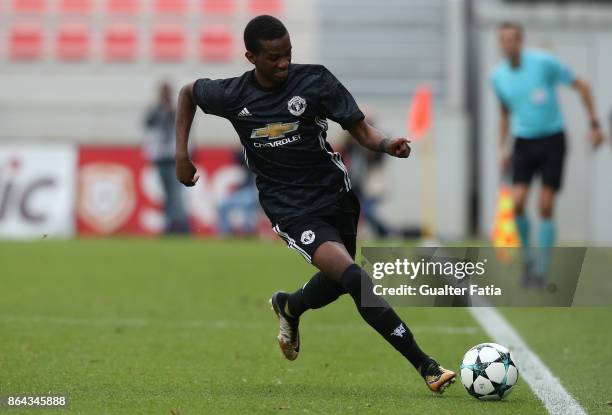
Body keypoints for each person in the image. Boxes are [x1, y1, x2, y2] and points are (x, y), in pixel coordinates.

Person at [175, 15, 455, 393]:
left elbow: (361, 130)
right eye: (274, 57)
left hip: (336, 195)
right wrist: (181, 155)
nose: (283, 63)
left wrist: (386, 143)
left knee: (341, 282)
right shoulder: (232, 95)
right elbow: (188, 93)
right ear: (250, 57)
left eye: (287, 53)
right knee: (354, 276)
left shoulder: (315, 81)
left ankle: (290, 305)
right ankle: (427, 367)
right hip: (289, 208)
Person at [491, 22, 603, 286]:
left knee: (545, 205)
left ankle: (541, 270)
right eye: (503, 40)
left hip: (553, 140)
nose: (508, 44)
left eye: (512, 39)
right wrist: (502, 147)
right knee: (517, 201)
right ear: (500, 44)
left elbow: (582, 85)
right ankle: (528, 262)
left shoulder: (544, 63)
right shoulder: (497, 77)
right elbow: (505, 112)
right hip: (523, 142)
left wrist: (595, 123)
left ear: (521, 41)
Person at [144, 81, 190, 235]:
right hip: (160, 157)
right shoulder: (155, 110)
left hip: (174, 157)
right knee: (168, 194)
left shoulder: (176, 109)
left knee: (176, 194)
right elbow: (148, 124)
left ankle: (180, 226)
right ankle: (171, 225)